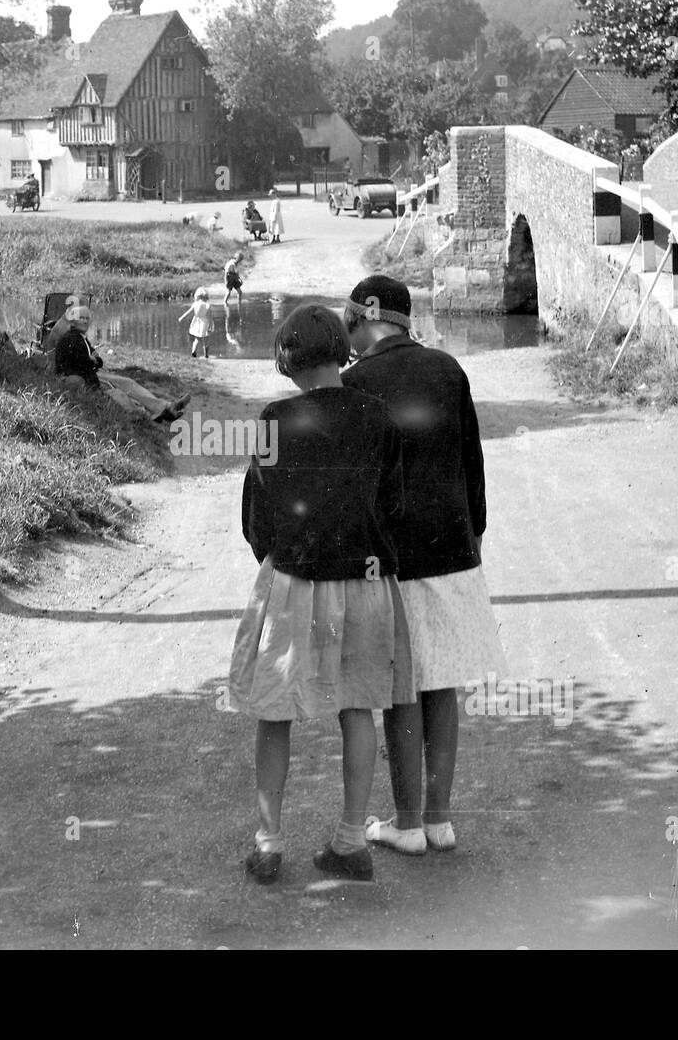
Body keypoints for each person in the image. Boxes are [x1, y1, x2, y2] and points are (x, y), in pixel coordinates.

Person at [229, 304, 414, 884]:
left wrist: (279, 558)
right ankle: (351, 838)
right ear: (341, 348)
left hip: (296, 583)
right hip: (365, 583)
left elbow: (255, 518)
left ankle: (268, 842)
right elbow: (395, 504)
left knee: (274, 711)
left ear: (286, 361)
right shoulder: (378, 416)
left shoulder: (273, 421)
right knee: (359, 706)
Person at [341, 275, 507, 856]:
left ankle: (406, 824)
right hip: (455, 547)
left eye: (350, 321)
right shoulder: (448, 369)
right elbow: (472, 459)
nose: (349, 335)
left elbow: (355, 483)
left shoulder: (355, 382)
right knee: (445, 683)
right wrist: (476, 532)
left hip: (390, 559)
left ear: (368, 314)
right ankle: (440, 820)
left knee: (403, 686)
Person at [54, 304, 190, 423]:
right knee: (121, 387)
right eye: (81, 318)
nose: (84, 321)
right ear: (73, 321)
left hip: (90, 371)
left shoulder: (80, 337)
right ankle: (160, 410)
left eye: (86, 318)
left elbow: (96, 360)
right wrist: (92, 360)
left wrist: (94, 360)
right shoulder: (71, 339)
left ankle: (164, 407)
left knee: (127, 382)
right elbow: (82, 361)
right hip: (83, 375)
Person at [178, 286, 213, 358]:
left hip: (196, 321)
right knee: (205, 339)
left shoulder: (195, 304)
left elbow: (188, 312)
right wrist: (211, 325)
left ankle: (193, 350)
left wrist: (181, 317)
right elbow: (209, 317)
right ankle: (206, 355)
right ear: (206, 297)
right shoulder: (207, 305)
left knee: (197, 339)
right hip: (204, 322)